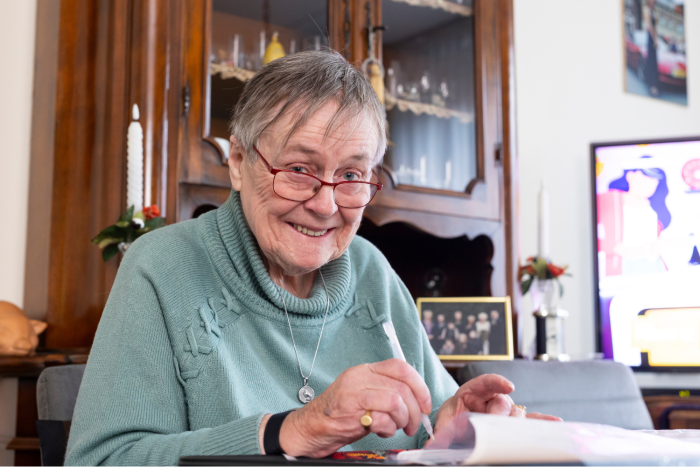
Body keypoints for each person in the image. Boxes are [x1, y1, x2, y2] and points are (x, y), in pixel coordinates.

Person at [65, 50, 558, 466]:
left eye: (350, 176)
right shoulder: (163, 268)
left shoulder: (372, 272)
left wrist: (455, 434)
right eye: (300, 169)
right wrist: (292, 431)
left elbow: (430, 427)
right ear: (238, 162)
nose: (325, 205)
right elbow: (102, 459)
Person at [643, 0, 660, 96]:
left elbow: (655, 27)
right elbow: (650, 27)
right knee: (651, 61)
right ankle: (652, 86)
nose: (654, 1)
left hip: (653, 39)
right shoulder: (646, 10)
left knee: (654, 61)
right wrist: (654, 40)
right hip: (650, 39)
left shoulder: (653, 11)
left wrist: (657, 39)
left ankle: (653, 83)